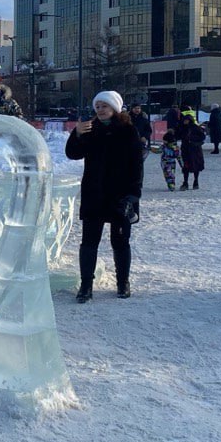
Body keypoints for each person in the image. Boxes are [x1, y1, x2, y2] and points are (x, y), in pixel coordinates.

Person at [64, 90, 144, 301]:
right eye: (97, 106)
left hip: (120, 196)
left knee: (120, 242)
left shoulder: (128, 131)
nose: (100, 110)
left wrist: (134, 195)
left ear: (115, 108)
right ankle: (86, 286)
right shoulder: (89, 129)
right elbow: (72, 154)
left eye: (104, 106)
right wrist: (77, 133)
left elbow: (136, 166)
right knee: (89, 242)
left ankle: (122, 282)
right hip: (94, 194)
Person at [176, 110, 206, 190]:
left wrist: (192, 139)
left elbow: (202, 137)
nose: (185, 122)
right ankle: (185, 182)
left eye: (186, 120)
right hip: (186, 150)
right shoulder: (182, 128)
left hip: (195, 150)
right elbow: (177, 136)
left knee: (196, 166)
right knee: (186, 166)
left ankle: (195, 181)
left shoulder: (196, 128)